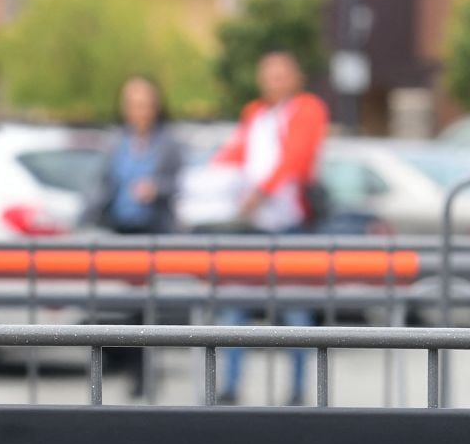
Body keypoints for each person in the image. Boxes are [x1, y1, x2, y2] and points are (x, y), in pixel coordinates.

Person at [209, 50, 329, 405]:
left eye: (281, 75)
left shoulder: (307, 109)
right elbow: (235, 153)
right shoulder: (255, 113)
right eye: (268, 75)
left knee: (295, 311)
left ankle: (297, 389)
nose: (274, 82)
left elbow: (296, 157)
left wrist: (261, 192)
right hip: (253, 226)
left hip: (289, 224)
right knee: (235, 307)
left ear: (295, 78)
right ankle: (230, 386)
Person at [94, 75, 184, 235]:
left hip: (156, 230)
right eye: (132, 105)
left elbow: (180, 184)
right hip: (118, 229)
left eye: (143, 105)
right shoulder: (116, 141)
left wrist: (156, 189)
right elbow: (102, 185)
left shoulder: (168, 143)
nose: (138, 112)